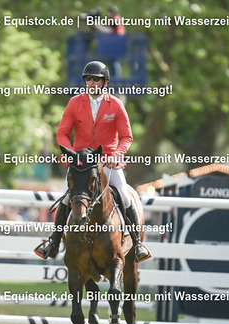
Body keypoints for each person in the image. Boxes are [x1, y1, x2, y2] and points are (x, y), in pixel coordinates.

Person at [34, 60, 150, 262]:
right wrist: (70, 153)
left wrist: (117, 154)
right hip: (81, 164)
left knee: (125, 196)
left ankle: (137, 243)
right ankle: (54, 241)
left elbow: (126, 137)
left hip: (108, 161)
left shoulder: (116, 104)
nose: (92, 83)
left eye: (96, 79)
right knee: (66, 198)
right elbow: (62, 133)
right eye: (88, 79)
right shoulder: (74, 103)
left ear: (105, 82)